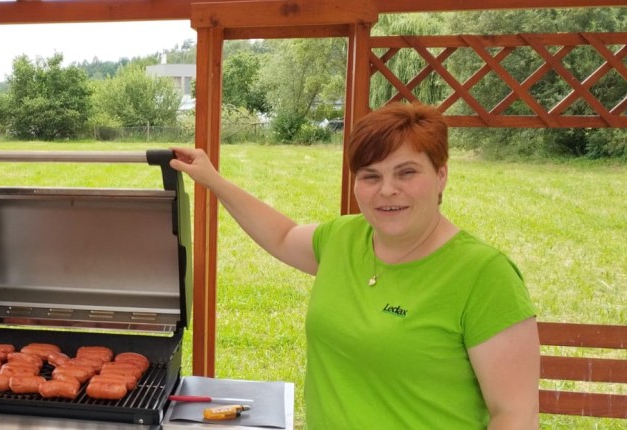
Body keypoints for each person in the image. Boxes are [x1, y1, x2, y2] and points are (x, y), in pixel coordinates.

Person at [169, 103, 539, 429]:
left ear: (441, 175)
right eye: (371, 176)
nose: (387, 190)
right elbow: (282, 236)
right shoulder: (344, 239)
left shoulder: (484, 275)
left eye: (407, 172)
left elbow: (515, 416)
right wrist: (213, 181)